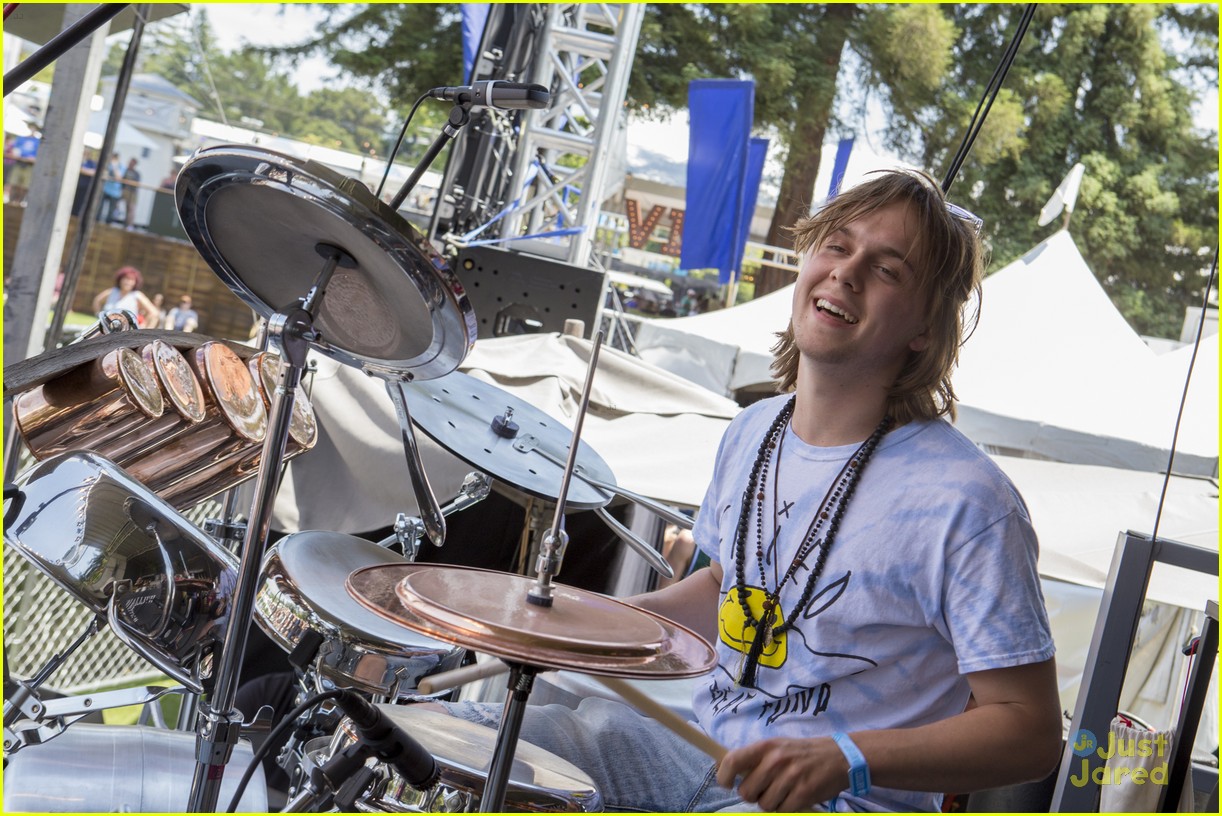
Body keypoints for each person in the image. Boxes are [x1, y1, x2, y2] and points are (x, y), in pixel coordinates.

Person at [441, 169, 1061, 812]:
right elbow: (722, 589)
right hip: (702, 759)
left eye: (888, 270)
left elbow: (1030, 729)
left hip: (842, 802)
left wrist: (849, 756)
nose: (846, 273)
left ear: (926, 330)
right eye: (838, 245)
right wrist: (586, 624)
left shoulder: (968, 502)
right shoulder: (753, 430)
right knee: (458, 745)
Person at [92, 265, 159, 327]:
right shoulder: (112, 292)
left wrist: (145, 327)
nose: (128, 282)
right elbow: (97, 300)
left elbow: (154, 313)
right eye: (126, 278)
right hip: (106, 329)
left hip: (126, 334)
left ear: (135, 282)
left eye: (131, 280)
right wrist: (98, 315)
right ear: (120, 279)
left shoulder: (137, 295)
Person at [98, 152, 123, 223]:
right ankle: (97, 221)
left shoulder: (121, 167)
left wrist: (114, 167)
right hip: (105, 189)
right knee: (99, 207)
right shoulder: (108, 165)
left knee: (111, 211)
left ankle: (108, 223)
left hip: (115, 192)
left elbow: (118, 177)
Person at [121, 157, 141, 228]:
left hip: (132, 193)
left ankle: (130, 225)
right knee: (126, 208)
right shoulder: (125, 170)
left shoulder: (136, 173)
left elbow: (137, 183)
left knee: (131, 209)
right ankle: (125, 223)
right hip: (125, 191)